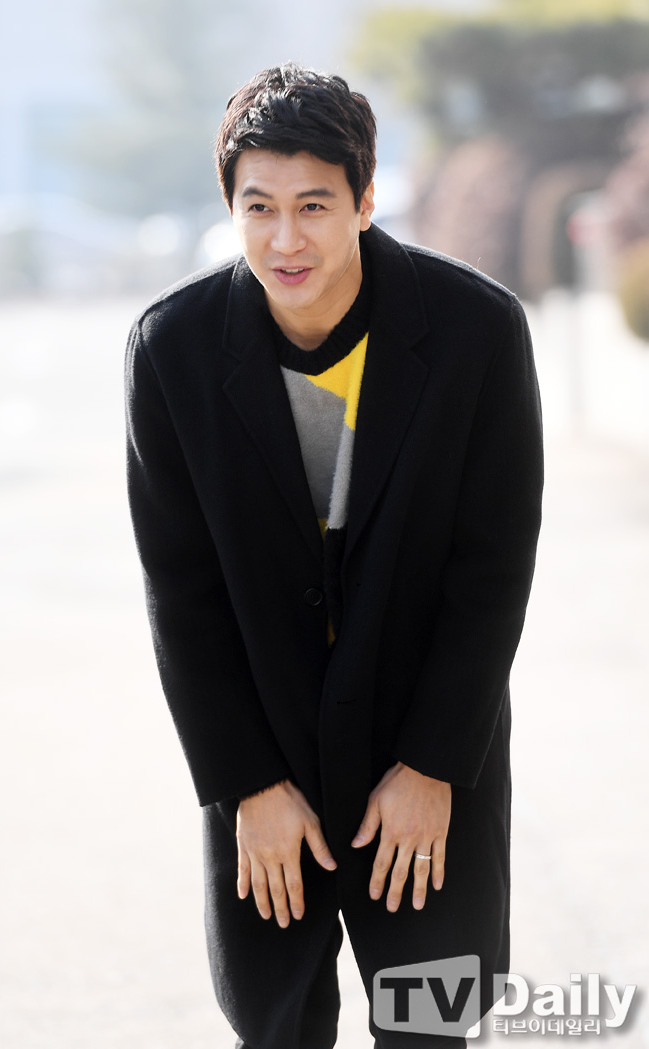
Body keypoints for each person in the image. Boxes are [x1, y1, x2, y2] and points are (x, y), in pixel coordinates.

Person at [124, 63, 543, 1049]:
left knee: (433, 1024)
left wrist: (432, 764)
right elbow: (182, 592)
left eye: (313, 205)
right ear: (229, 205)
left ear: (364, 198)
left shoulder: (477, 333)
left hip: (425, 758)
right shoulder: (173, 350)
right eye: (259, 207)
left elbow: (491, 572)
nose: (286, 240)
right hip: (268, 767)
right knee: (277, 1029)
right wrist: (245, 784)